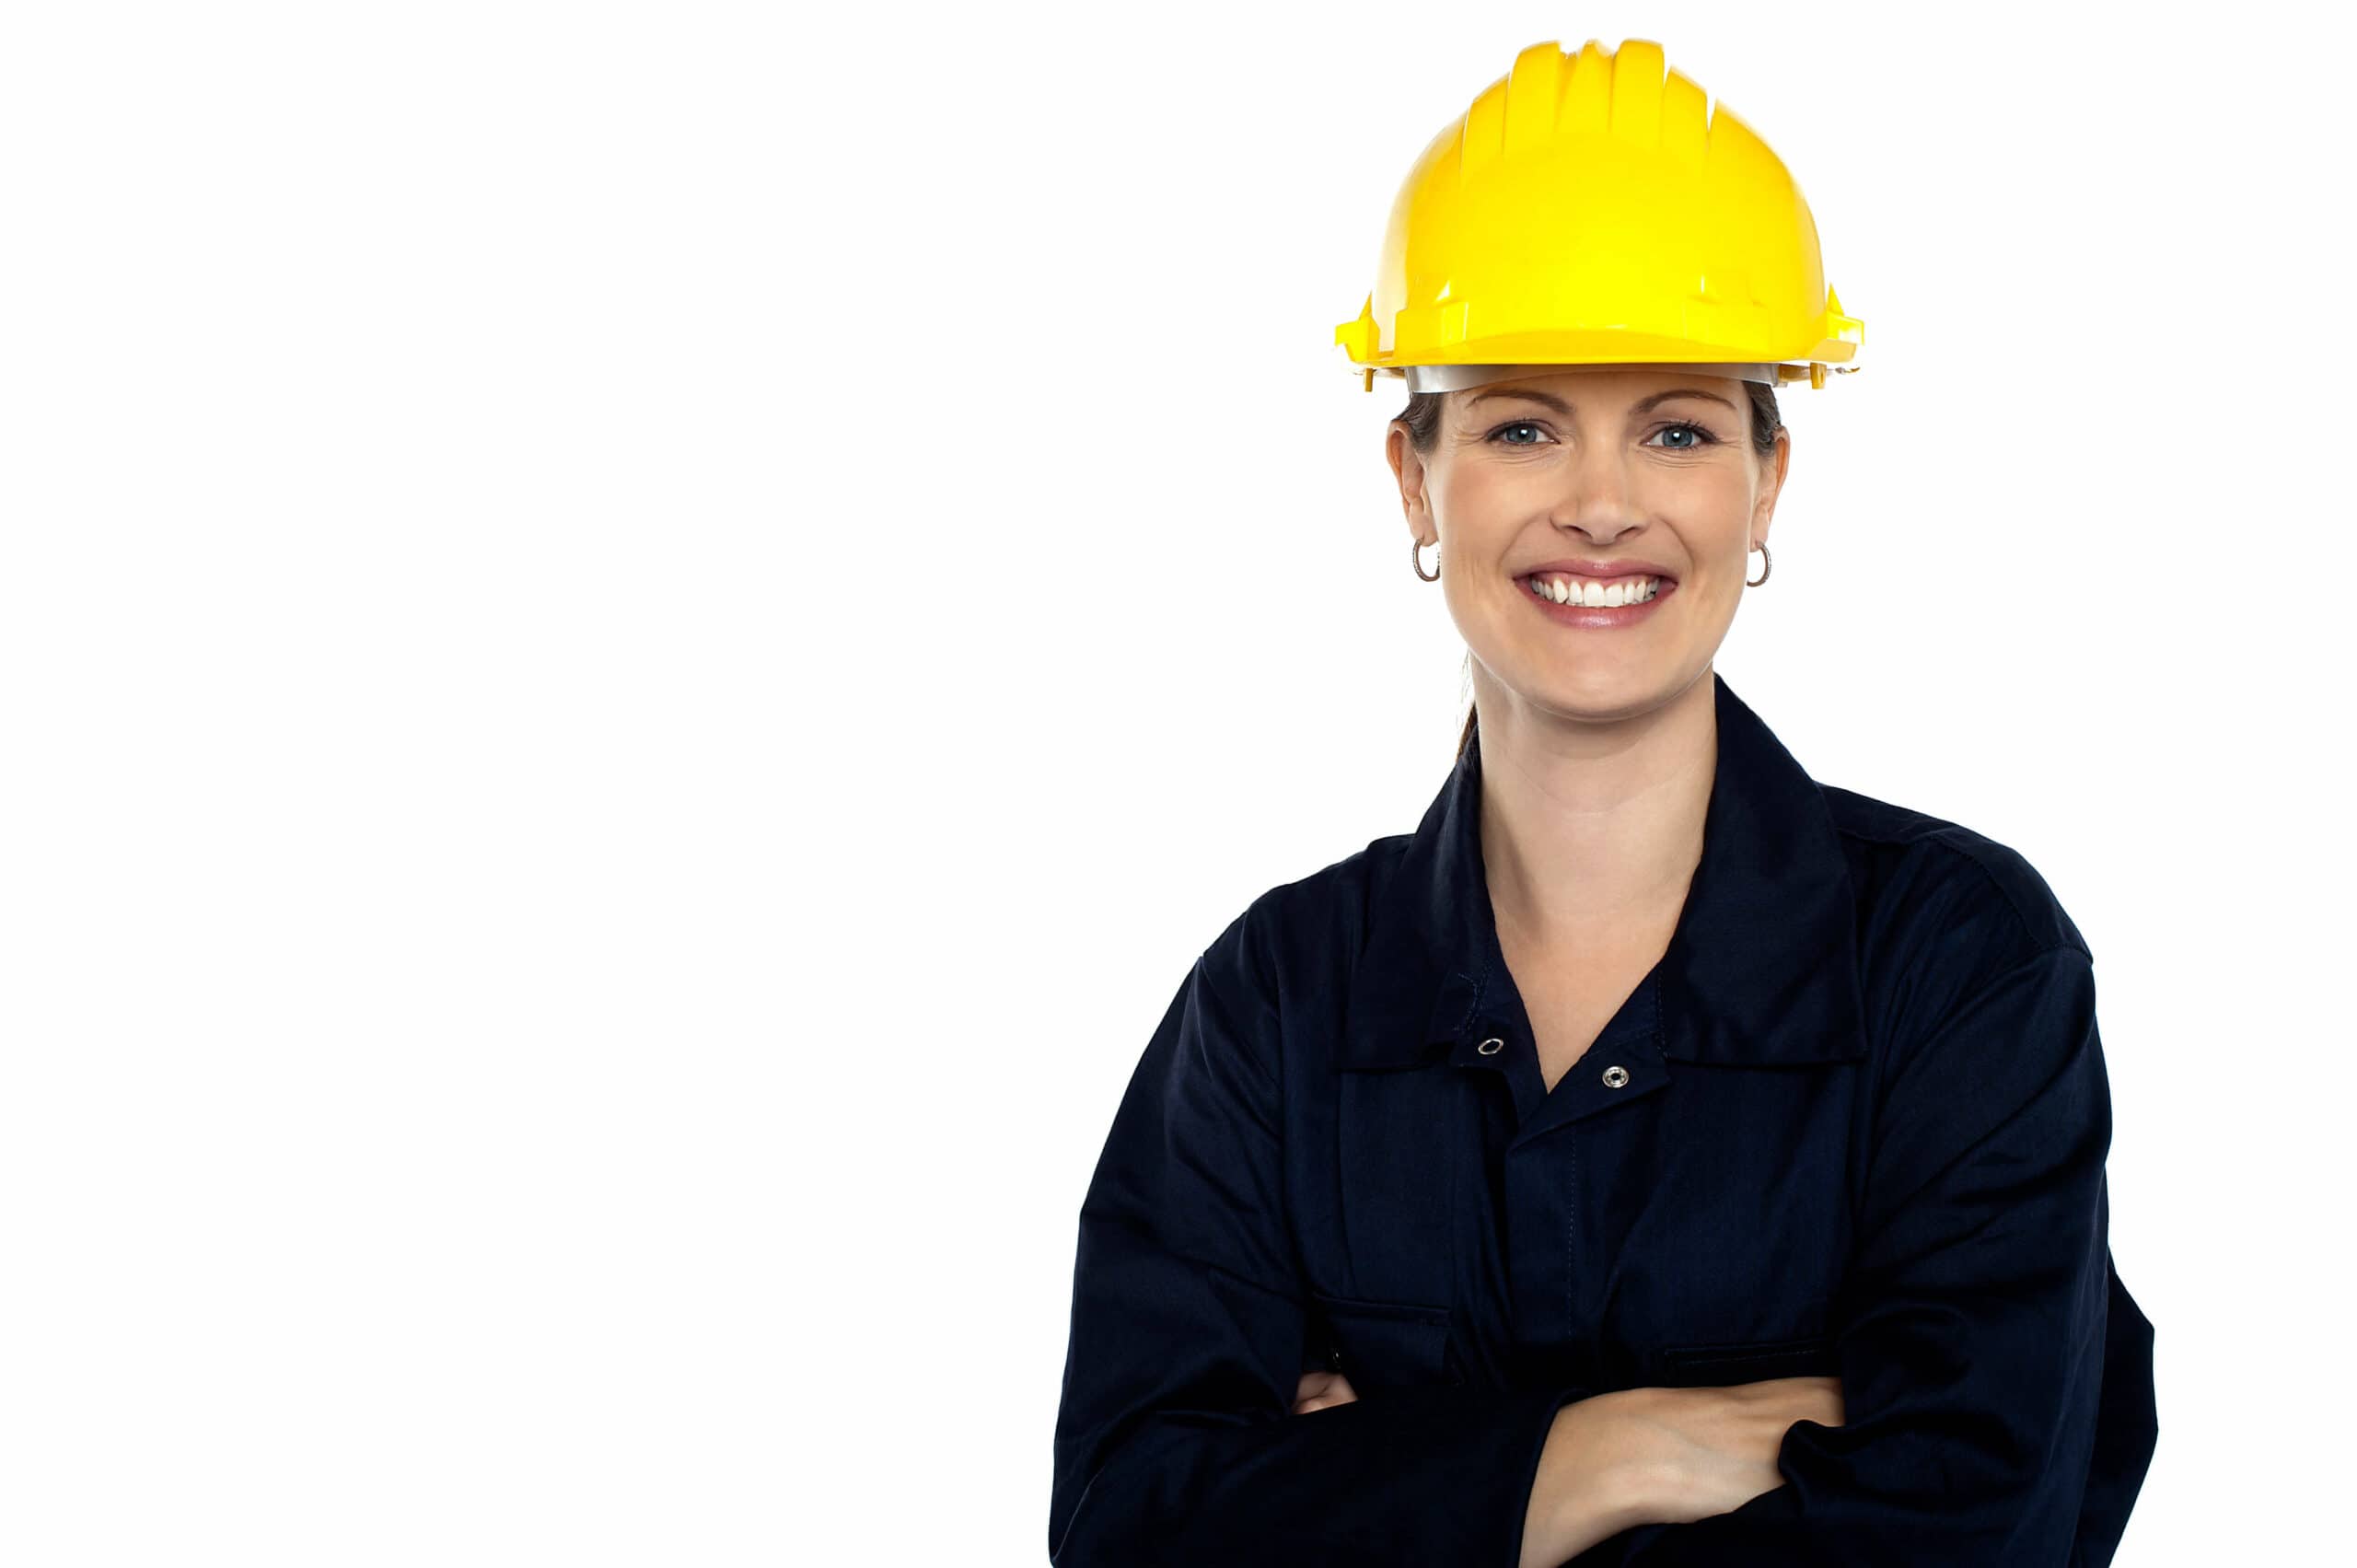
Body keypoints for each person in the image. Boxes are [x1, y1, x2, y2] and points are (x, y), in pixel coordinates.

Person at [1048, 37, 2156, 1567]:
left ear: (1767, 484)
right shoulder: (1279, 1006)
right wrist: (1591, 1455)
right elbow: (1129, 1530)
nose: (1601, 499)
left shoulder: (1960, 967)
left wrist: (1381, 1491)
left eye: (1680, 427)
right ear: (1410, 479)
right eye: (1518, 424)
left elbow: (1986, 1529)